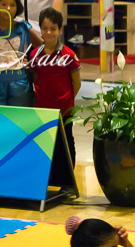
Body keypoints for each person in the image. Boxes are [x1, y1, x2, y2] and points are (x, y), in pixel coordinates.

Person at [29, 8, 80, 165]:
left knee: (65, 144)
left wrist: (66, 99)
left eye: (53, 29)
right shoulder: (34, 55)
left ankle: (68, 183)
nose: (48, 32)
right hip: (43, 109)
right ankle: (49, 179)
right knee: (46, 144)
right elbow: (36, 80)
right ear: (40, 29)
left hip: (64, 109)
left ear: (60, 30)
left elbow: (76, 83)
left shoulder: (69, 55)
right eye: (45, 28)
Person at [0, 0, 41, 106]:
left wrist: (32, 61)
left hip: (20, 82)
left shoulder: (24, 28)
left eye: (12, 5)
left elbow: (44, 47)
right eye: (3, 4)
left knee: (19, 118)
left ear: (17, 7)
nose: (8, 8)